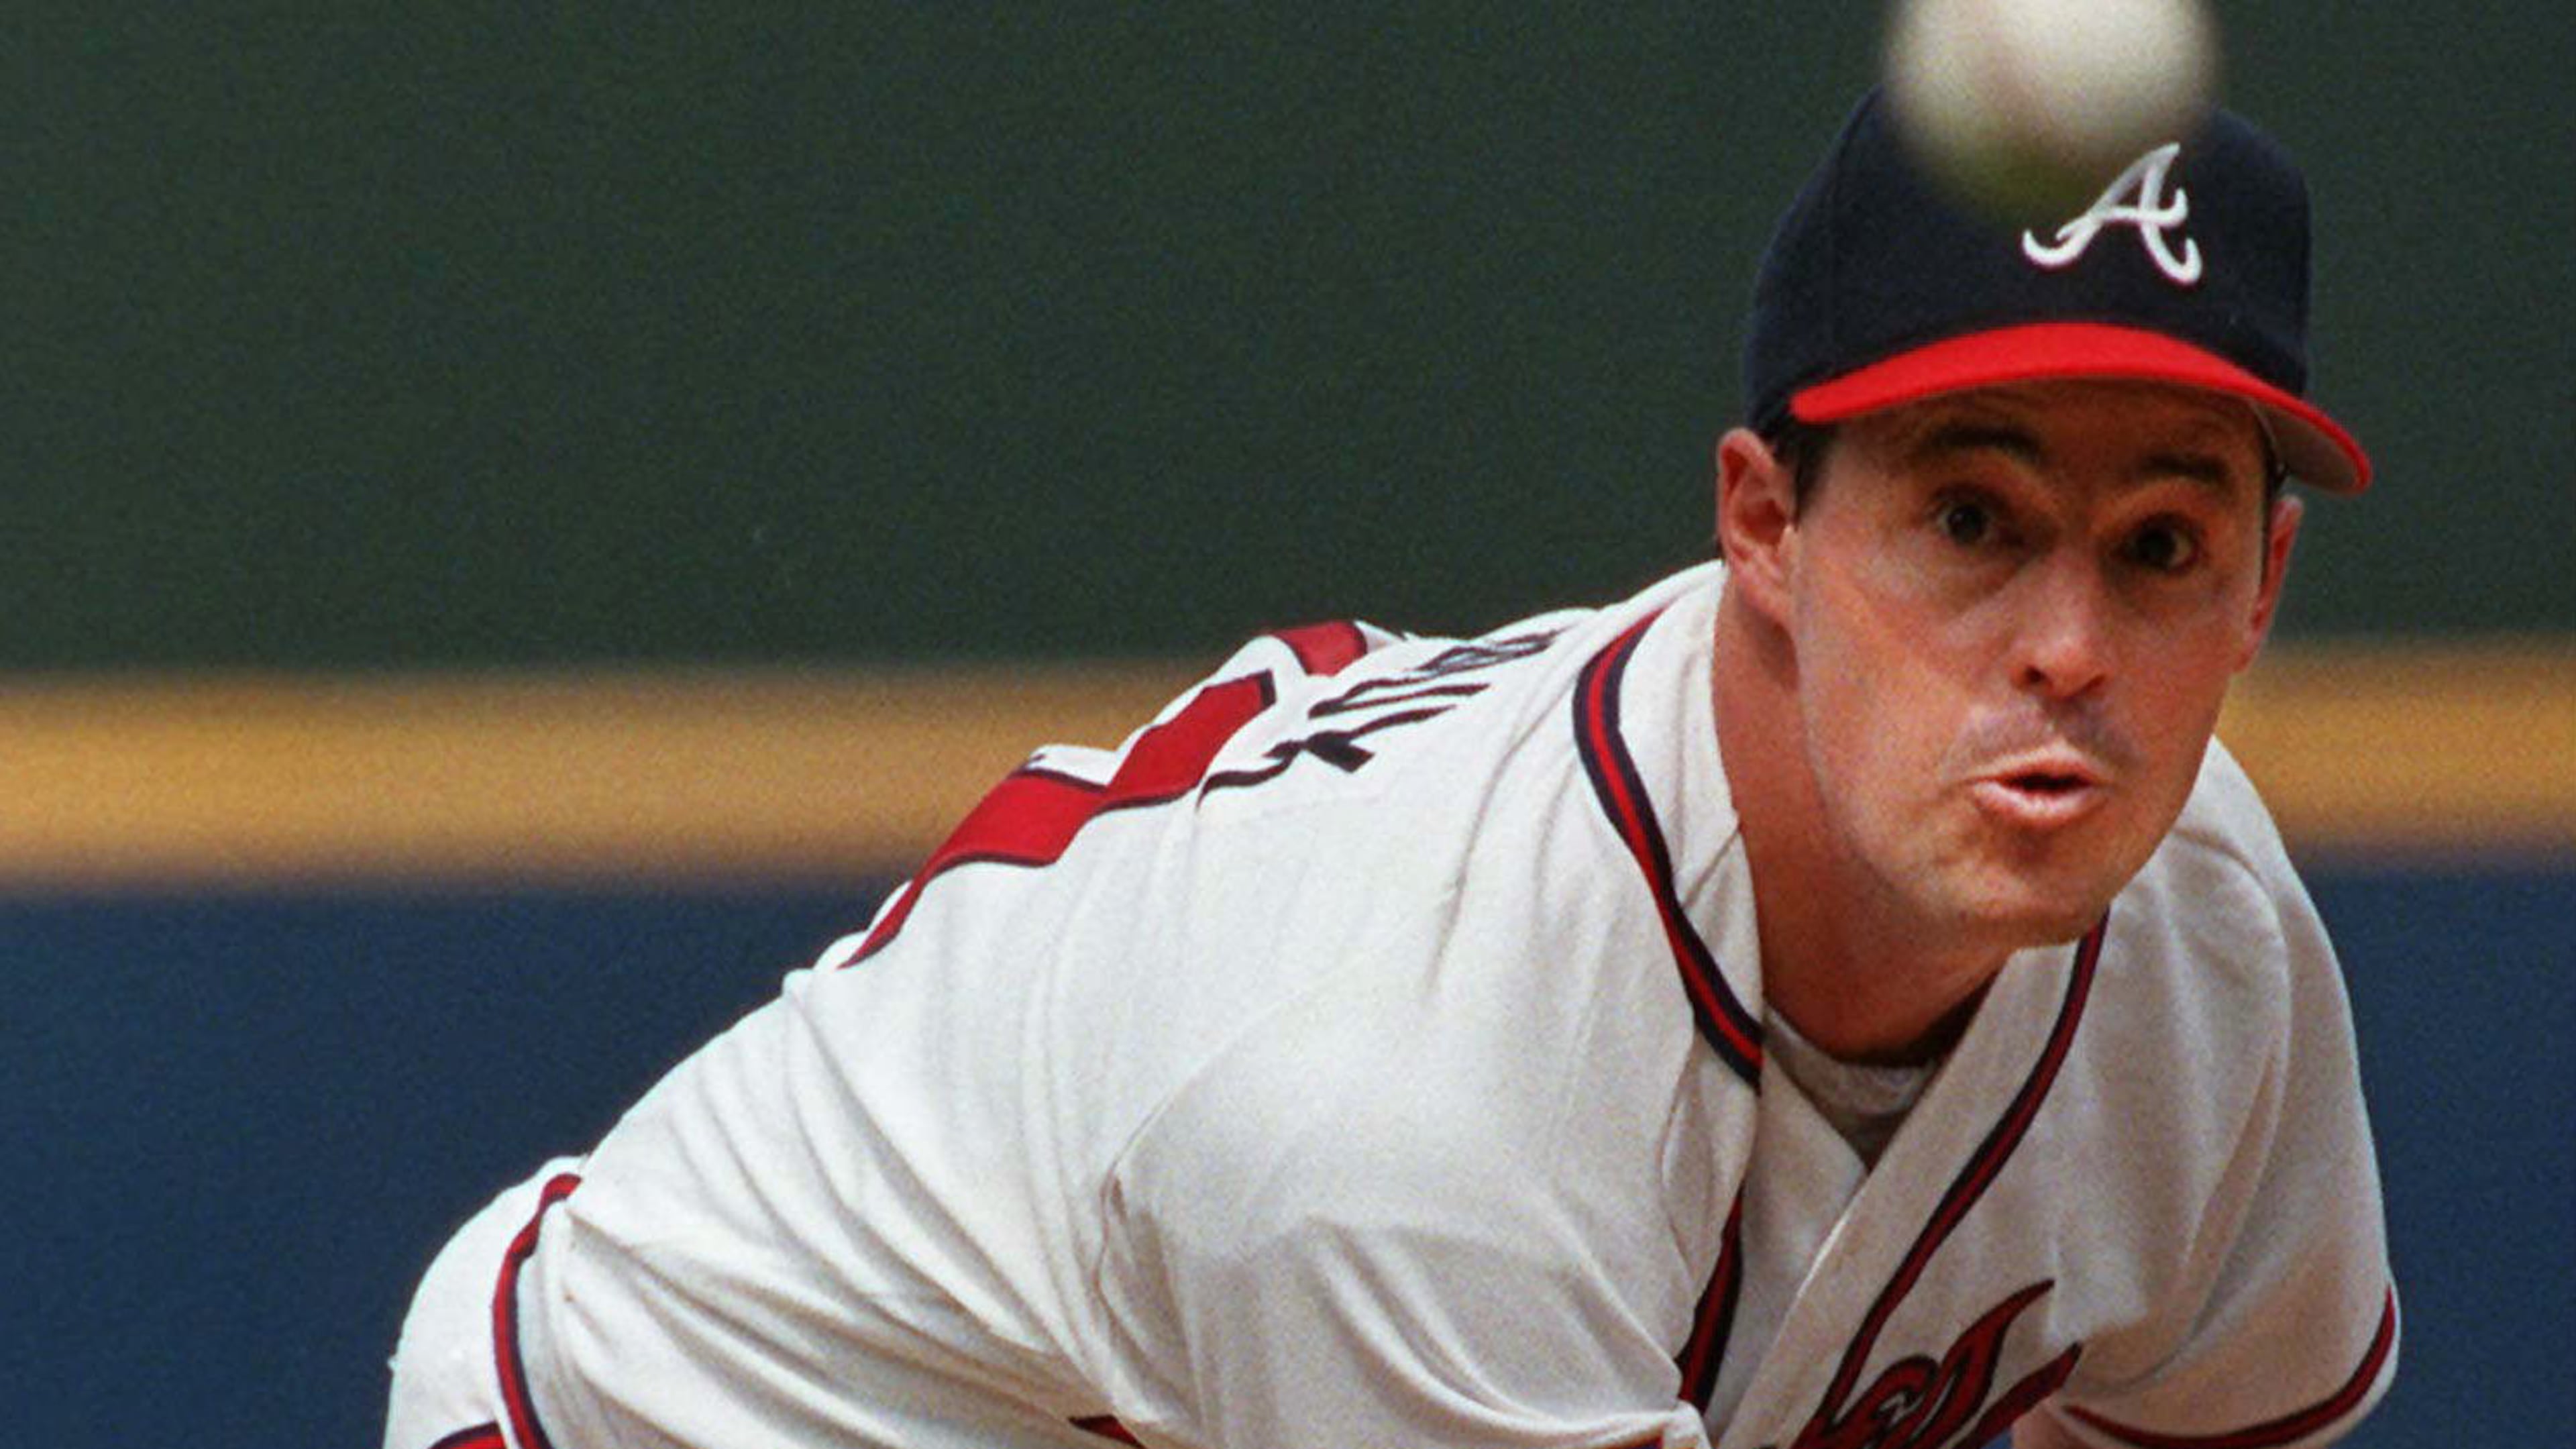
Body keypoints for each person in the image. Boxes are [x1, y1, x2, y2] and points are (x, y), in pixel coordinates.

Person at [385, 89, 2396, 1449]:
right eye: (1971, 522)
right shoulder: (1408, 1107)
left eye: (2159, 546)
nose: (2066, 648)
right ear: (1765, 530)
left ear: (2261, 587)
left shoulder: (2210, 954)